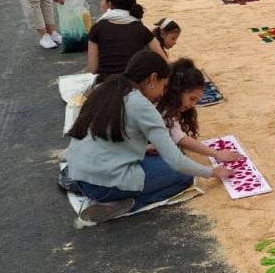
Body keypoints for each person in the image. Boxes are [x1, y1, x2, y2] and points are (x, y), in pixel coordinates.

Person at [64, 51, 232, 223]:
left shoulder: (107, 88)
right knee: (185, 176)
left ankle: (108, 194)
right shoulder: (142, 106)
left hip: (76, 173)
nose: (162, 92)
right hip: (103, 185)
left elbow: (105, 137)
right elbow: (177, 161)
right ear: (152, 79)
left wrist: (144, 149)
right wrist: (211, 172)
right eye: (163, 85)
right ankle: (128, 204)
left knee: (160, 162)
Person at [155, 58, 243, 163]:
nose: (193, 105)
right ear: (177, 91)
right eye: (192, 99)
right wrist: (216, 153)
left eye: (196, 100)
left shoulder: (169, 102)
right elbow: (178, 137)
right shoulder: (160, 104)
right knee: (181, 170)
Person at [88, 0, 167, 83]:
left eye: (102, 0)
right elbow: (164, 62)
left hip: (106, 87)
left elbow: (93, 69)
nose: (101, 3)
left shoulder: (97, 28)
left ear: (110, 4)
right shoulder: (141, 29)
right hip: (135, 87)